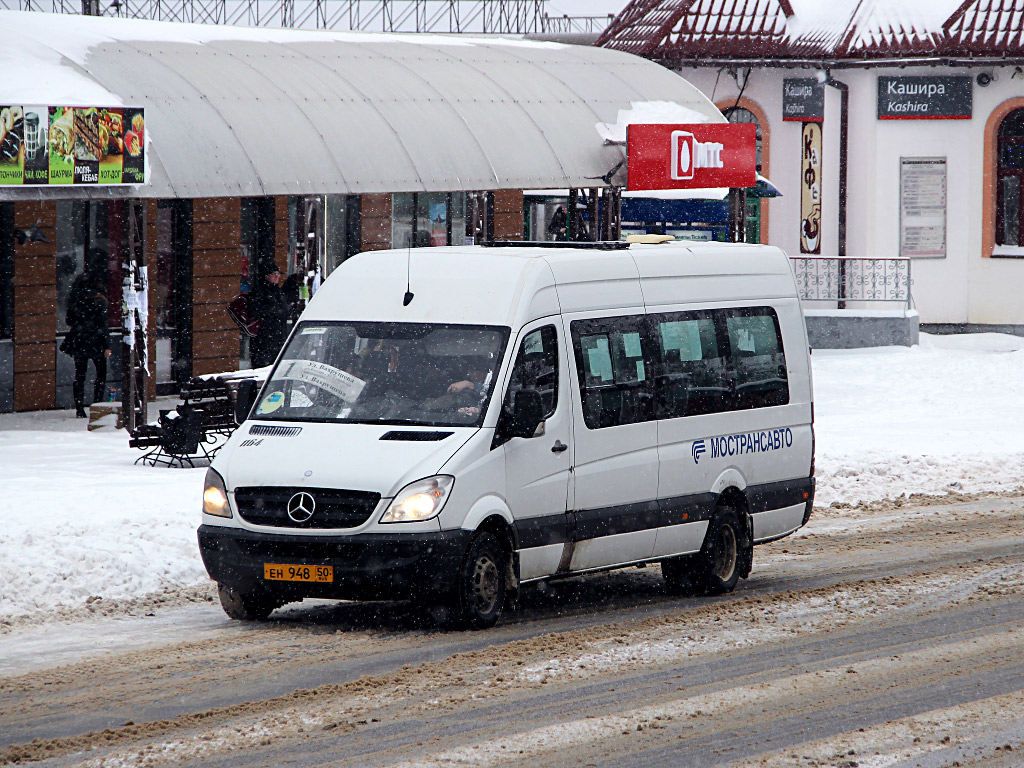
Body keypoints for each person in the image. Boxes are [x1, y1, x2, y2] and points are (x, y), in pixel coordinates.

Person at [62, 270, 111, 418]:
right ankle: (97, 405)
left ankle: (79, 408)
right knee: (101, 375)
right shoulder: (100, 300)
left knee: (80, 375)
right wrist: (107, 345)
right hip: (96, 342)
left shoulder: (76, 299)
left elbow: (69, 321)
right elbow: (103, 325)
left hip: (79, 341)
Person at [249, 260, 291, 368]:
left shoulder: (278, 291)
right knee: (263, 365)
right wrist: (274, 311)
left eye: (278, 274)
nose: (277, 277)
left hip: (278, 336)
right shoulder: (259, 291)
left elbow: (285, 310)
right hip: (264, 337)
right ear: (266, 276)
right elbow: (255, 311)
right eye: (274, 274)